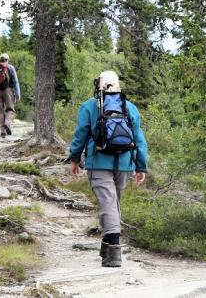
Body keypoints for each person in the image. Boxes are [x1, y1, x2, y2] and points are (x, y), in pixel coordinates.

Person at [68, 70, 149, 267]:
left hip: (99, 163)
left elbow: (81, 135)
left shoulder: (89, 106)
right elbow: (139, 140)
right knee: (113, 204)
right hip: (124, 164)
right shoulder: (130, 108)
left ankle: (113, 250)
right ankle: (106, 246)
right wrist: (141, 166)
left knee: (107, 203)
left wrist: (74, 158)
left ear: (99, 85)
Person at [0, 53, 21, 138]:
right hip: (8, 91)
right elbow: (16, 81)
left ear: (0, 59)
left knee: (0, 111)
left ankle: (2, 132)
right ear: (7, 59)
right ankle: (7, 123)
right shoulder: (10, 67)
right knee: (10, 109)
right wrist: (18, 94)